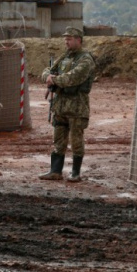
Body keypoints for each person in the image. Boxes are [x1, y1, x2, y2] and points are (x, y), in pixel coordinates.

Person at [38, 26, 95, 182]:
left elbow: (73, 77)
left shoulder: (86, 59)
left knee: (76, 141)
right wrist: (48, 77)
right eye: (65, 39)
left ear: (79, 40)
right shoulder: (64, 57)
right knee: (58, 139)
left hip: (77, 106)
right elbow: (46, 70)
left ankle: (75, 173)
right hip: (61, 105)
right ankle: (55, 171)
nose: (66, 42)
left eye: (69, 39)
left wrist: (53, 79)